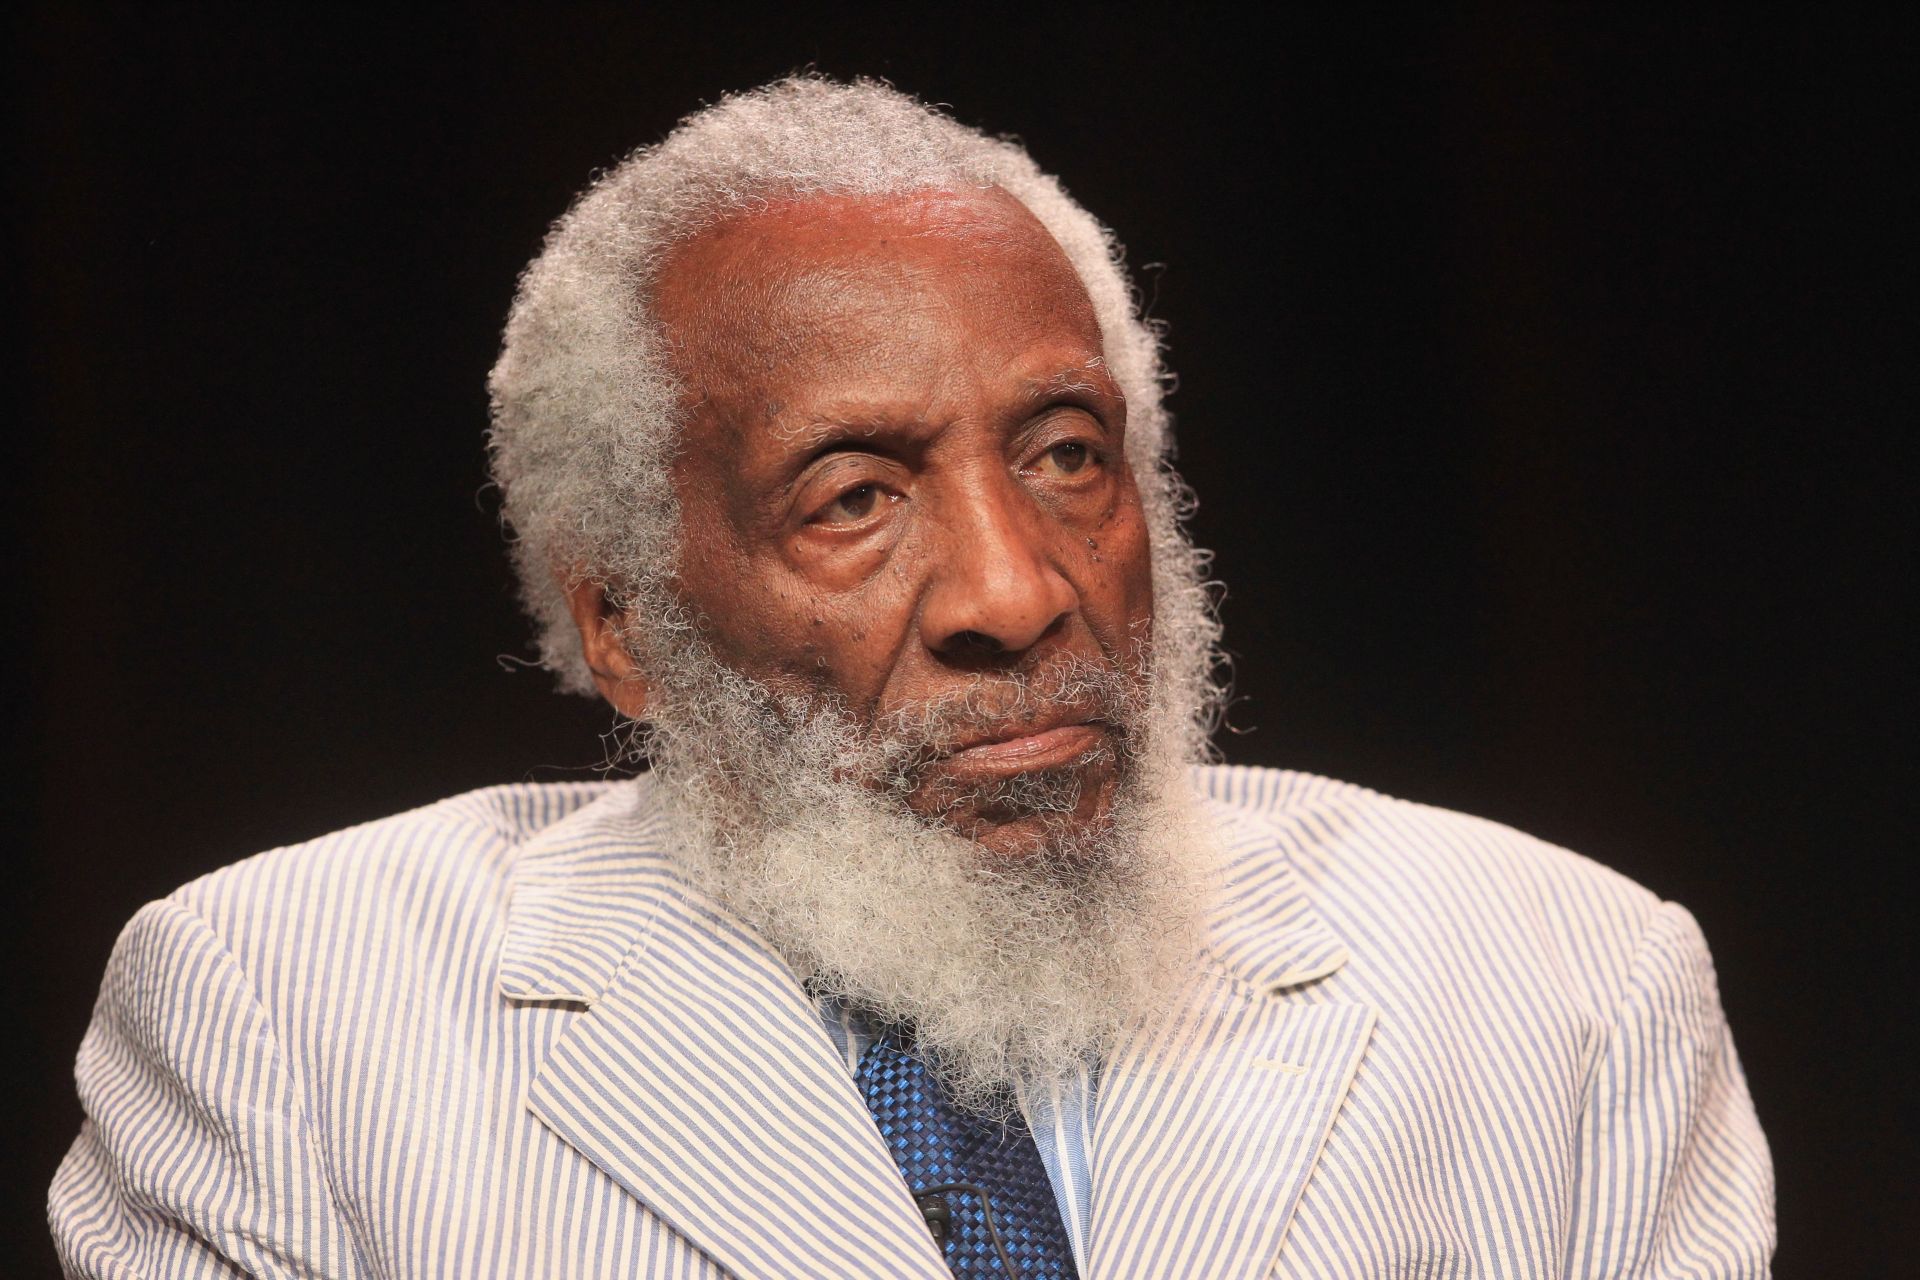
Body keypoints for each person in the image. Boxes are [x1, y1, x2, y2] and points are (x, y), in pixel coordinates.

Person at [48, 76, 1774, 1279]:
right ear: (626, 625)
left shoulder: (1562, 986)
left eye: (1066, 455)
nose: (1020, 593)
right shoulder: (288, 1019)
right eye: (855, 498)